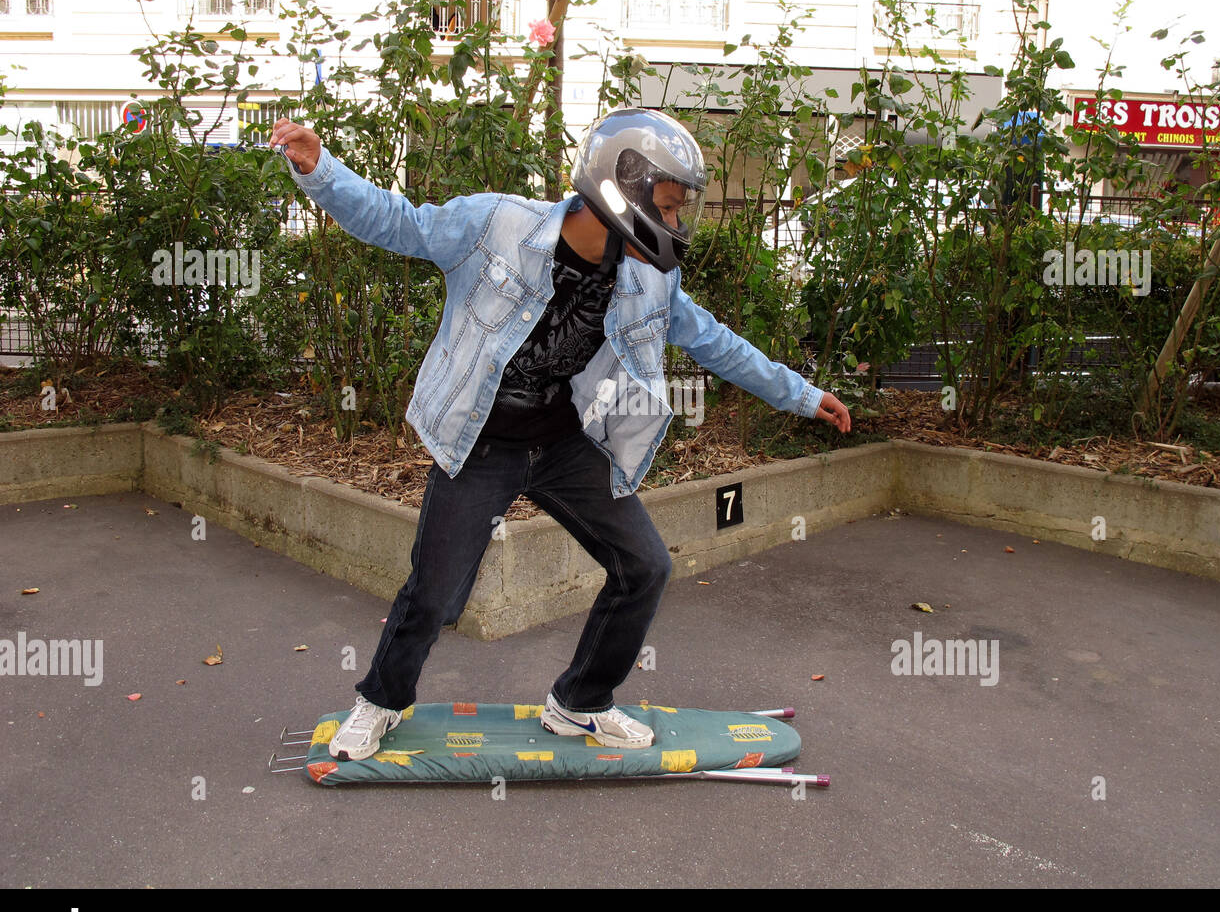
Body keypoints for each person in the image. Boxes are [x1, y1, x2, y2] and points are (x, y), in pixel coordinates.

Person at [269, 108, 851, 760]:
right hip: (482, 446)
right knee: (434, 596)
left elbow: (711, 340)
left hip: (565, 444)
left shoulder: (647, 276)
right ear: (618, 193)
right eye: (667, 207)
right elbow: (399, 222)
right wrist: (321, 172)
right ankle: (380, 701)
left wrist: (801, 394)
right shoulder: (498, 226)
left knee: (644, 567)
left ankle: (579, 703)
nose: (678, 225)